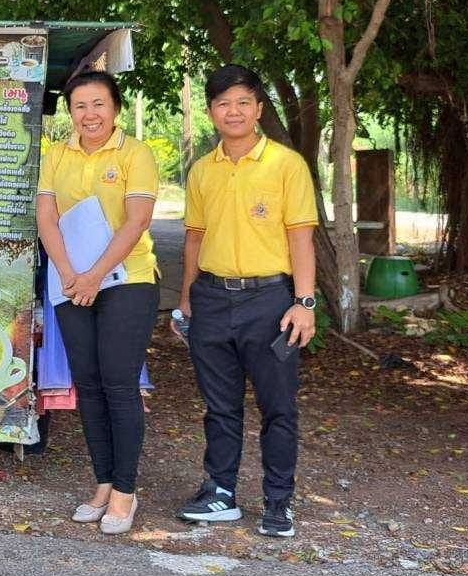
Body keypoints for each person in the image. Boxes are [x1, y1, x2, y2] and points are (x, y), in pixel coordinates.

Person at [173, 64, 318, 539]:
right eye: (222, 103)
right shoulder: (201, 170)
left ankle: (279, 502)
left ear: (257, 109)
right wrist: (186, 299)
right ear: (211, 112)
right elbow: (194, 238)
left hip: (271, 301)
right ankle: (220, 492)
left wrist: (305, 302)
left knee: (279, 407)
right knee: (220, 405)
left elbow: (301, 239)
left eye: (242, 102)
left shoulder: (285, 164)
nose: (232, 111)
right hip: (212, 299)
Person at [36, 71, 160, 535]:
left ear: (115, 108)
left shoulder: (136, 153)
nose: (90, 114)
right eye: (81, 106)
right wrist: (70, 273)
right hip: (69, 284)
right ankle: (104, 483)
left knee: (118, 384)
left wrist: (94, 275)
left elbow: (137, 220)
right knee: (87, 385)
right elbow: (46, 216)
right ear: (71, 111)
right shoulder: (56, 155)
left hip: (127, 281)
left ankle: (126, 492)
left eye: (99, 104)